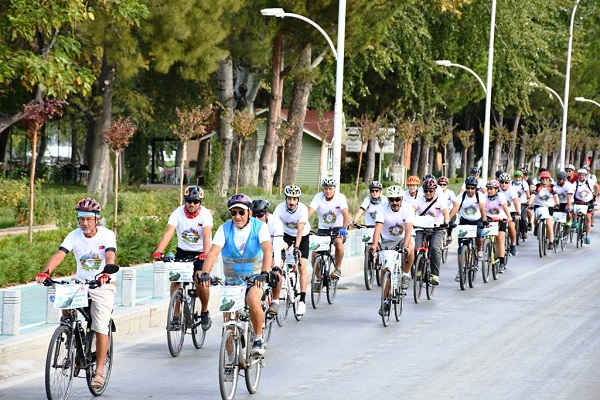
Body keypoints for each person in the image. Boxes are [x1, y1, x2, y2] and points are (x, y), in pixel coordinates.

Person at [36, 198, 116, 389]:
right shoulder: (74, 235)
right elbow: (60, 254)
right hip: (81, 282)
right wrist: (46, 272)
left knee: (99, 324)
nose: (85, 224)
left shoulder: (107, 235)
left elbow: (111, 254)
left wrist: (106, 272)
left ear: (97, 219)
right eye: (81, 219)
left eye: (89, 219)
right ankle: (70, 333)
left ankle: (99, 371)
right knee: (64, 297)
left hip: (103, 283)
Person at [199, 193, 275, 355]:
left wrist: (265, 272)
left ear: (249, 212)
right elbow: (212, 253)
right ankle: (229, 361)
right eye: (233, 213)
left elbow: (268, 250)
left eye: (241, 212)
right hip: (232, 280)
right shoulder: (224, 229)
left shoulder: (259, 227)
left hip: (256, 278)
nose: (237, 216)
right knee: (228, 320)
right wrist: (205, 272)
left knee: (252, 299)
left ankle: (259, 338)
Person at [152, 185, 213, 331]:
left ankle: (204, 311)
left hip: (201, 252)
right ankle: (176, 316)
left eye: (195, 202)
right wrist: (159, 251)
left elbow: (206, 234)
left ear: (200, 202)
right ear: (185, 200)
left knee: (200, 279)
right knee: (176, 280)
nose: (192, 204)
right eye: (189, 201)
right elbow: (169, 232)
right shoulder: (177, 213)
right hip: (183, 251)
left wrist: (205, 253)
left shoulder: (205, 214)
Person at [371, 185, 415, 315]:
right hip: (388, 240)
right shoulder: (382, 208)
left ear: (401, 199)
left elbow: (408, 229)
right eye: (392, 200)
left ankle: (406, 274)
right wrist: (374, 244)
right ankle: (385, 302)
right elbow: (378, 227)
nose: (394, 202)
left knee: (411, 248)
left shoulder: (408, 208)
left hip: (403, 239)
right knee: (385, 270)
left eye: (397, 199)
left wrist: (405, 245)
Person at [273, 185, 310, 316]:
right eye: (289, 199)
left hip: (302, 236)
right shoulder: (279, 208)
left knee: (302, 266)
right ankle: (282, 274)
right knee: (279, 251)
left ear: (298, 200)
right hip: (287, 235)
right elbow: (274, 224)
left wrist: (297, 248)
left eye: (294, 199)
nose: (291, 202)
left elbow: (300, 229)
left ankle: (302, 300)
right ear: (286, 199)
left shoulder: (302, 209)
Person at [308, 178, 349, 279]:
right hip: (323, 229)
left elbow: (345, 214)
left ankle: (338, 268)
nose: (328, 191)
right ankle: (318, 278)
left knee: (338, 242)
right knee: (314, 254)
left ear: (334, 189)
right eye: (325, 188)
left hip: (338, 227)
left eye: (330, 188)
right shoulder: (318, 197)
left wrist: (344, 228)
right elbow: (309, 212)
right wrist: (303, 223)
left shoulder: (340, 197)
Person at [449, 176, 488, 281]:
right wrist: (447, 220)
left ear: (476, 188)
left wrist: (484, 221)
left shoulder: (480, 196)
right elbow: (455, 208)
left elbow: (482, 209)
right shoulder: (461, 196)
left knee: (480, 235)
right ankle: (460, 271)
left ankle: (479, 250)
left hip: (477, 220)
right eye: (468, 188)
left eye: (472, 188)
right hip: (464, 221)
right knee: (461, 248)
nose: (470, 190)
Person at [251, 199, 284, 315]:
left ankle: (275, 301)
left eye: (260, 215)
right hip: (258, 253)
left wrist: (275, 266)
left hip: (275, 250)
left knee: (276, 271)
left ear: (266, 214)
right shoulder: (250, 224)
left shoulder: (276, 223)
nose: (257, 218)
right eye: (254, 215)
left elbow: (277, 246)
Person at [413, 178, 449, 285]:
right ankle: (419, 270)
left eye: (431, 191)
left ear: (435, 191)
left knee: (435, 248)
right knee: (415, 248)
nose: (428, 193)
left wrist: (446, 222)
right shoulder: (419, 199)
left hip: (437, 229)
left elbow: (446, 212)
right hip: (422, 228)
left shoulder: (440, 200)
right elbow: (412, 209)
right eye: (426, 191)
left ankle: (435, 274)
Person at [485, 180, 513, 272]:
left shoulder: (501, 196)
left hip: (501, 219)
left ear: (497, 189)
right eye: (488, 189)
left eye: (491, 189)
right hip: (489, 219)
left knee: (500, 238)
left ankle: (501, 262)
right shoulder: (484, 197)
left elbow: (505, 206)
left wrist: (508, 216)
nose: (489, 191)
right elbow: (481, 208)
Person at [529, 170, 559, 249]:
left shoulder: (552, 187)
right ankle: (536, 227)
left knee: (549, 223)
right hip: (539, 205)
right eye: (543, 179)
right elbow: (533, 195)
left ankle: (551, 242)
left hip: (549, 206)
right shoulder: (538, 186)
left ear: (549, 179)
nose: (544, 180)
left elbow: (555, 195)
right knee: (535, 219)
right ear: (540, 179)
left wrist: (557, 203)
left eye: (546, 179)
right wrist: (529, 203)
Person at [498, 172, 520, 256]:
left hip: (511, 211)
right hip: (500, 212)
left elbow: (516, 202)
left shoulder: (512, 190)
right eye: (502, 182)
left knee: (511, 226)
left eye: (506, 182)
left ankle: (513, 244)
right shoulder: (497, 189)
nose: (504, 184)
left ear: (509, 183)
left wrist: (518, 213)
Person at [572, 168, 595, 244]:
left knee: (588, 218)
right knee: (573, 209)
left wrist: (595, 195)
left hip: (588, 202)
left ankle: (587, 237)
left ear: (585, 175)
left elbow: (597, 186)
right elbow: (573, 191)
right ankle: (575, 221)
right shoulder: (575, 183)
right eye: (579, 175)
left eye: (582, 175)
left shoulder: (590, 181)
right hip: (579, 202)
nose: (581, 176)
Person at [438, 176, 459, 243]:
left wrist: (449, 217)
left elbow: (455, 204)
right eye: (440, 184)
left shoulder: (450, 193)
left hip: (448, 211)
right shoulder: (436, 193)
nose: (442, 186)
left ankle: (449, 234)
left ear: (447, 185)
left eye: (444, 184)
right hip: (439, 211)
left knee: (450, 221)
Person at [512, 170, 530, 240]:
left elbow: (527, 193)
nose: (518, 179)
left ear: (522, 178)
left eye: (519, 177)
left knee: (523, 218)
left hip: (522, 203)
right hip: (513, 203)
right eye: (516, 177)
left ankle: (523, 232)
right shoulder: (511, 183)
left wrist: (528, 200)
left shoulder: (524, 183)